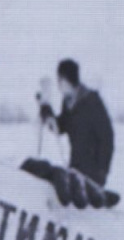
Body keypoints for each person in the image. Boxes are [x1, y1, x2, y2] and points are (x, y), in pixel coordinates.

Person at [36, 59, 116, 208]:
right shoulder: (68, 103)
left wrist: (102, 171)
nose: (58, 85)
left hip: (93, 171)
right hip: (76, 167)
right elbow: (60, 127)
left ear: (67, 79)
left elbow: (107, 138)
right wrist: (45, 108)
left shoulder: (92, 101)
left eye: (60, 80)